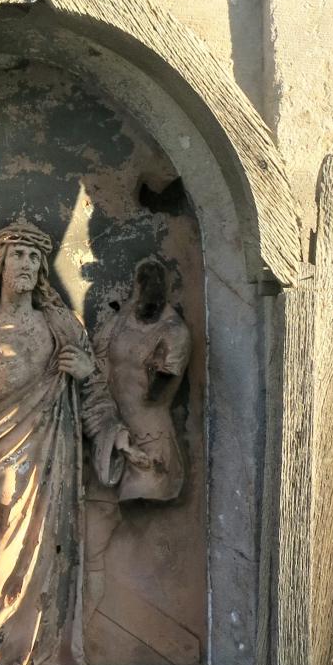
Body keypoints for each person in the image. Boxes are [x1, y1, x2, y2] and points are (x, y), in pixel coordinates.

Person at [0, 220, 126, 665]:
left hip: (53, 458)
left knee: (48, 558)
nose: (26, 264)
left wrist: (87, 378)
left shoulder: (61, 325)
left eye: (33, 257)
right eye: (17, 255)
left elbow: (94, 394)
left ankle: (38, 659)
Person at [84, 257, 191, 626]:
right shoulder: (119, 321)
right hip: (106, 431)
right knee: (93, 531)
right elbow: (95, 364)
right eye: (143, 282)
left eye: (155, 283)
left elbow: (159, 391)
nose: (147, 292)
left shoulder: (174, 333)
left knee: (133, 524)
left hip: (149, 441)